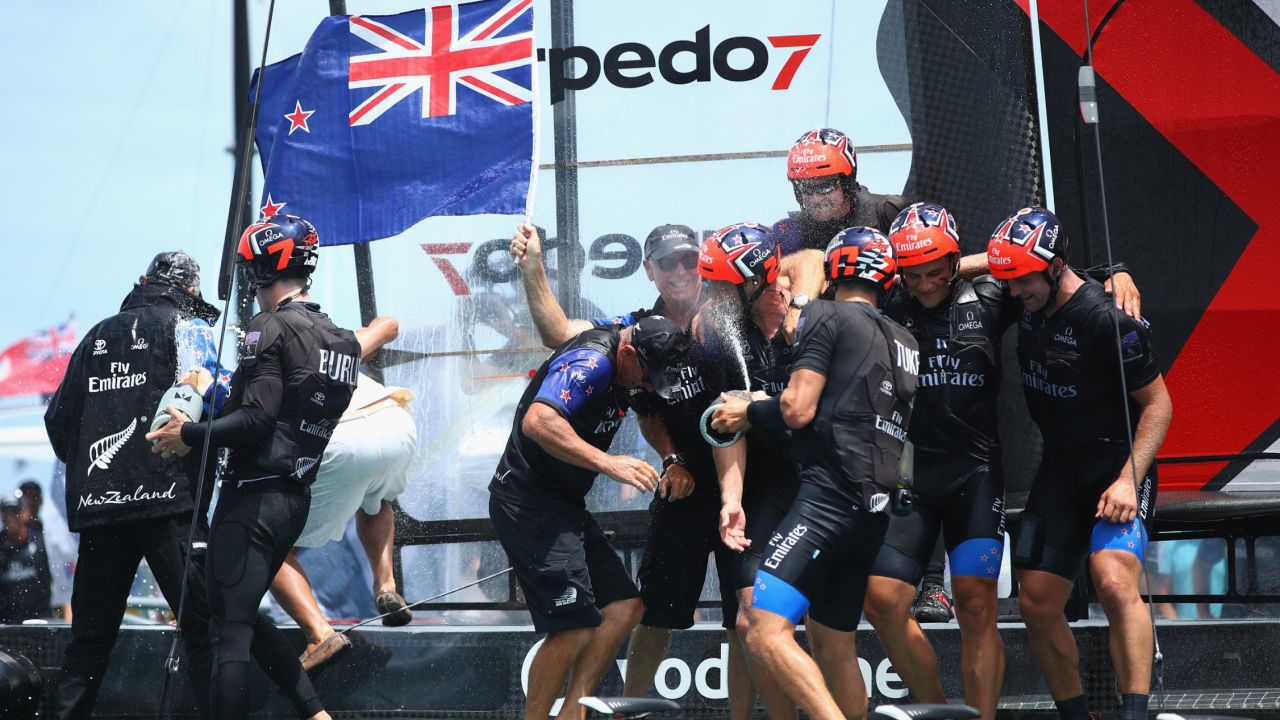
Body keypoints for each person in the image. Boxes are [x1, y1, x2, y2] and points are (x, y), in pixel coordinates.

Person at [149, 214, 360, 720]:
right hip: (295, 500)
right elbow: (288, 410)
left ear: (265, 268)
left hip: (253, 496)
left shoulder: (267, 327)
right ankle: (316, 714)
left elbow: (257, 419)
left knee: (232, 633)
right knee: (236, 611)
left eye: (249, 267)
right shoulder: (344, 340)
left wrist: (189, 433)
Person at [713, 227, 919, 720]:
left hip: (826, 499)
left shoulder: (824, 316)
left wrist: (750, 411)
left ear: (833, 275)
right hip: (874, 509)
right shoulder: (905, 339)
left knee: (762, 627)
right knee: (833, 646)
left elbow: (798, 409)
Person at [987, 207, 1173, 720]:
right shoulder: (1026, 298)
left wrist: (1127, 481)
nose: (1013, 292)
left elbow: (1159, 406)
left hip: (1118, 466)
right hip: (1061, 467)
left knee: (1112, 582)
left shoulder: (1107, 319)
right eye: (1006, 279)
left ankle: (1134, 714)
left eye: (1021, 279)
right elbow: (962, 272)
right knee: (1036, 602)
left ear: (1053, 267)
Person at [44, 250, 229, 720]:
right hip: (170, 506)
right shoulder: (189, 328)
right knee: (203, 631)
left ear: (143, 279)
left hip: (102, 509)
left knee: (87, 644)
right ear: (191, 290)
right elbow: (220, 398)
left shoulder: (94, 336)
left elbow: (58, 421)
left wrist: (99, 473)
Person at [487, 314, 691, 720]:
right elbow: (538, 421)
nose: (648, 387)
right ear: (629, 353)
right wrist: (608, 463)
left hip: (563, 505)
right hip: (528, 503)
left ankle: (571, 714)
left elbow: (649, 410)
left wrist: (673, 458)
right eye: (648, 377)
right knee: (574, 626)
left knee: (625, 607)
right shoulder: (594, 361)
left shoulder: (633, 361)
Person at [269, 316, 419, 671]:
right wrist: (365, 339)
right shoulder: (338, 341)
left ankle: (320, 634)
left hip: (346, 433)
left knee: (269, 549)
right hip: (394, 422)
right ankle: (385, 583)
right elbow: (391, 324)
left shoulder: (269, 349)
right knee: (376, 500)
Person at [695, 222, 800, 720]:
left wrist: (765, 402)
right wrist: (730, 499)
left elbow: (813, 262)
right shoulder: (721, 337)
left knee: (797, 625)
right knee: (750, 620)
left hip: (815, 483)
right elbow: (726, 424)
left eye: (720, 284)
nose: (710, 295)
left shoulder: (806, 314)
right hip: (759, 487)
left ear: (758, 279)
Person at [0, 493, 51, 624]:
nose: (10, 517)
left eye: (15, 511)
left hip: (41, 620)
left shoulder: (42, 542)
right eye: (6, 512)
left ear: (25, 513)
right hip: (6, 624)